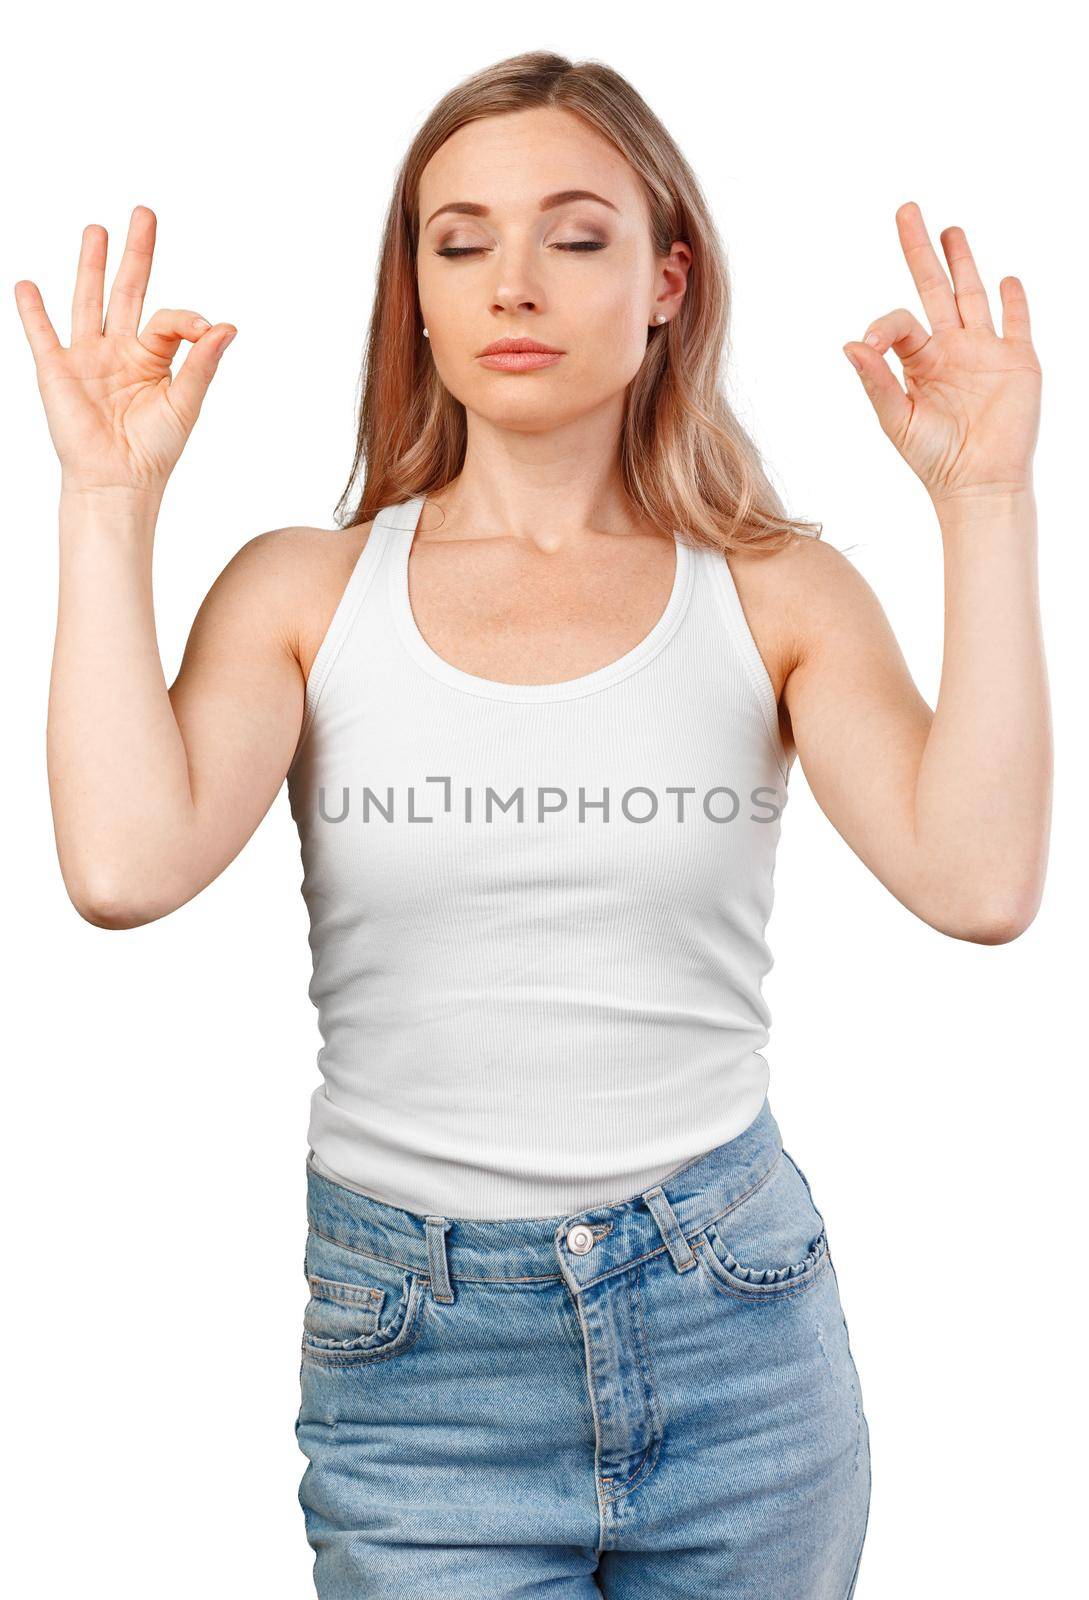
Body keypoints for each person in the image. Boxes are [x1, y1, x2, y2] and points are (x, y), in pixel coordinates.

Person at [17, 47, 1049, 1600]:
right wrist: (106, 504)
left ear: (665, 284)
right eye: (459, 240)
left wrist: (986, 503)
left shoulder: (773, 591)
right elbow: (120, 865)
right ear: (414, 297)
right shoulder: (302, 592)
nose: (513, 282)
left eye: (575, 236)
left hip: (735, 1333)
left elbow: (976, 883)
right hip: (418, 1361)